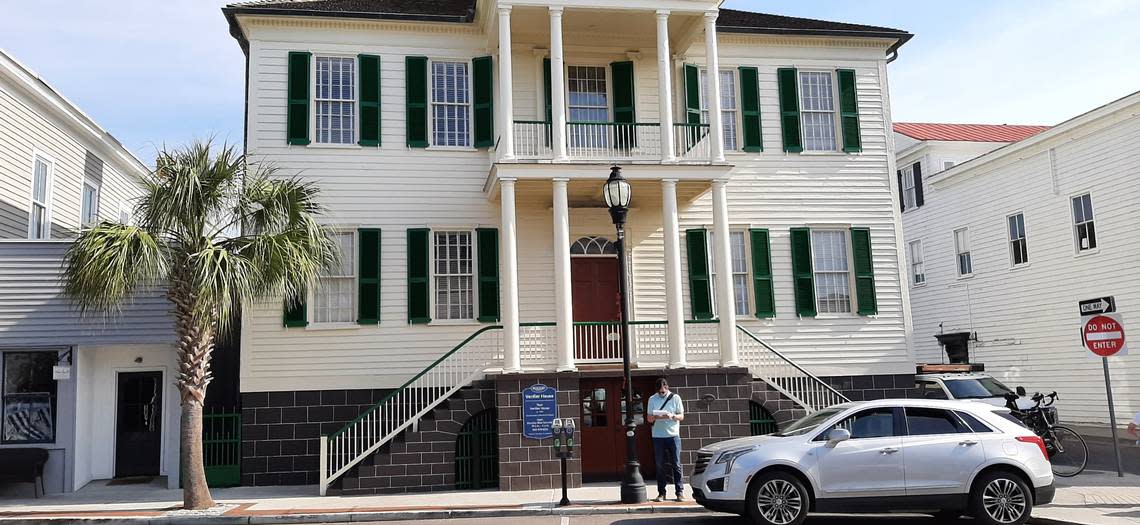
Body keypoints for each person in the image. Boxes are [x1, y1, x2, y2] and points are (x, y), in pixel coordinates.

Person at [646, 377, 685, 502]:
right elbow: (648, 418)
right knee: (660, 466)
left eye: (663, 391)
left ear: (667, 387)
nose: (661, 394)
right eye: (659, 392)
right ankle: (661, 493)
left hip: (673, 436)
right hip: (658, 436)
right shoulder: (652, 399)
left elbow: (681, 416)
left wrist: (671, 416)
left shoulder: (675, 398)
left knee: (676, 464)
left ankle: (680, 492)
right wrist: (655, 417)